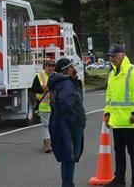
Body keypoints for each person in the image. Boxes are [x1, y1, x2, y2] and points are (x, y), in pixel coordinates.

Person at [104, 44, 134, 187]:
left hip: (129, 120)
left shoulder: (132, 71)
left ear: (122, 55)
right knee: (119, 152)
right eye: (110, 56)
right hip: (116, 120)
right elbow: (109, 96)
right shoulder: (112, 74)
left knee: (133, 152)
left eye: (114, 56)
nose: (112, 59)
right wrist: (107, 113)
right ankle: (119, 179)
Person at [48, 58, 86, 187]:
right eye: (71, 67)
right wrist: (73, 121)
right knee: (70, 155)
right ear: (66, 70)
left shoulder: (62, 82)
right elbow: (66, 104)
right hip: (71, 124)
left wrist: (74, 80)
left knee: (67, 155)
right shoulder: (66, 84)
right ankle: (68, 183)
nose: (74, 69)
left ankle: (67, 183)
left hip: (63, 122)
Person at [33, 59, 56, 152]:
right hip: (43, 105)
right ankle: (47, 143)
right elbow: (34, 89)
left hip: (55, 106)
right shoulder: (40, 76)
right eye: (49, 65)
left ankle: (52, 142)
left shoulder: (56, 76)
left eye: (53, 66)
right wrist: (42, 89)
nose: (51, 68)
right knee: (46, 125)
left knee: (54, 125)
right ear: (45, 66)